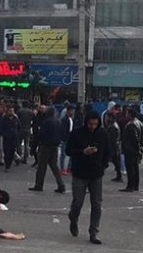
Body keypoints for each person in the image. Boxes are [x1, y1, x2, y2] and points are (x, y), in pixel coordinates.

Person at [66, 110, 109, 245]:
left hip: (96, 174)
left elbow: (108, 151)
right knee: (78, 202)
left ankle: (93, 232)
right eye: (90, 124)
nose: (92, 127)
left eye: (95, 124)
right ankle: (73, 218)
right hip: (80, 173)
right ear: (86, 122)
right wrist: (82, 152)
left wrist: (103, 166)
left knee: (97, 204)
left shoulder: (102, 134)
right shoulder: (77, 133)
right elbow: (68, 150)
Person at [29, 107, 65, 193]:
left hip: (46, 146)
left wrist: (38, 143)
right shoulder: (58, 122)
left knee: (42, 166)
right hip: (55, 146)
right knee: (54, 166)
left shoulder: (46, 122)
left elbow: (41, 134)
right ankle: (61, 185)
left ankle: (39, 185)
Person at [120, 108, 143, 192]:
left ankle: (130, 186)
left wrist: (137, 148)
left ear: (130, 114)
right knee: (135, 168)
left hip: (130, 150)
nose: (126, 115)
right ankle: (135, 186)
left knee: (130, 168)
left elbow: (135, 139)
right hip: (135, 150)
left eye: (127, 113)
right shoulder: (140, 123)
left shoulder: (131, 125)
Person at [0, 107, 21, 172]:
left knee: (12, 152)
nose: (11, 112)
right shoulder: (4, 119)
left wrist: (17, 134)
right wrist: (4, 134)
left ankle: (9, 163)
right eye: (10, 111)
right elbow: (0, 128)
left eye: (12, 111)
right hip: (6, 138)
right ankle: (7, 166)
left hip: (14, 138)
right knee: (6, 152)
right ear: (7, 112)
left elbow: (19, 127)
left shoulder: (16, 119)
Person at [104, 112, 123, 182]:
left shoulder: (112, 127)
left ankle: (119, 175)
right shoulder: (114, 125)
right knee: (115, 161)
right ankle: (119, 175)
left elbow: (111, 138)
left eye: (107, 117)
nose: (106, 119)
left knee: (114, 161)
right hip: (115, 146)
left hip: (113, 146)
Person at [60, 105, 77, 175]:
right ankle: (62, 168)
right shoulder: (64, 119)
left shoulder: (72, 119)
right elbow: (63, 130)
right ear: (68, 111)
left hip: (70, 138)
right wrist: (64, 138)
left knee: (71, 154)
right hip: (65, 138)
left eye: (73, 110)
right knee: (63, 154)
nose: (73, 112)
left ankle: (70, 168)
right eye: (72, 110)